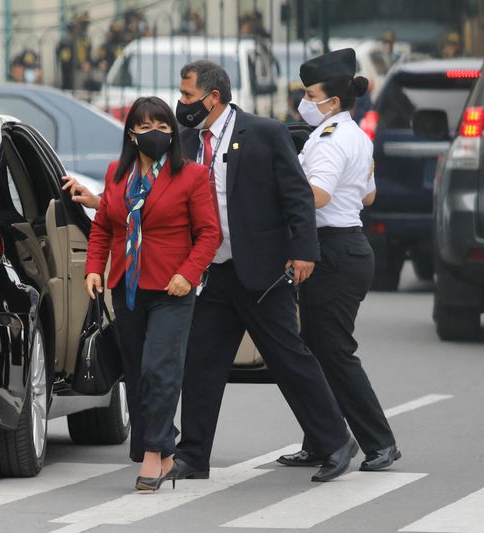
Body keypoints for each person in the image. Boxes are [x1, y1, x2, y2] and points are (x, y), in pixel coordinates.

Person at [172, 60, 356, 483]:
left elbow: (296, 196)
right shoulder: (184, 140)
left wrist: (304, 251)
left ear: (213, 97)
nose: (181, 104)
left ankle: (335, 440)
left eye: (187, 96)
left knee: (288, 358)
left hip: (262, 269)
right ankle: (193, 456)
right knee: (201, 364)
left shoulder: (264, 134)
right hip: (213, 271)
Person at [84, 96, 220, 491]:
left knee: (160, 371)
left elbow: (210, 233)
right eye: (145, 127)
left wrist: (189, 274)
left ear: (173, 134)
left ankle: (151, 454)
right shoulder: (116, 173)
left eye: (163, 127)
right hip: (127, 289)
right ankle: (164, 452)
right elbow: (104, 228)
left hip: (172, 289)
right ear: (131, 133)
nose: (155, 134)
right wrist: (95, 268)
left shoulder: (191, 176)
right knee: (138, 374)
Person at [276, 49, 400, 472]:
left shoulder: (328, 140)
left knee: (333, 352)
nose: (304, 101)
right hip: (346, 246)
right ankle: (322, 440)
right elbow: (369, 195)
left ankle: (379, 441)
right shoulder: (355, 135)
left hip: (333, 251)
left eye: (310, 94)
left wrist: (280, 188)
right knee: (317, 350)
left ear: (332, 100)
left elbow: (318, 196)